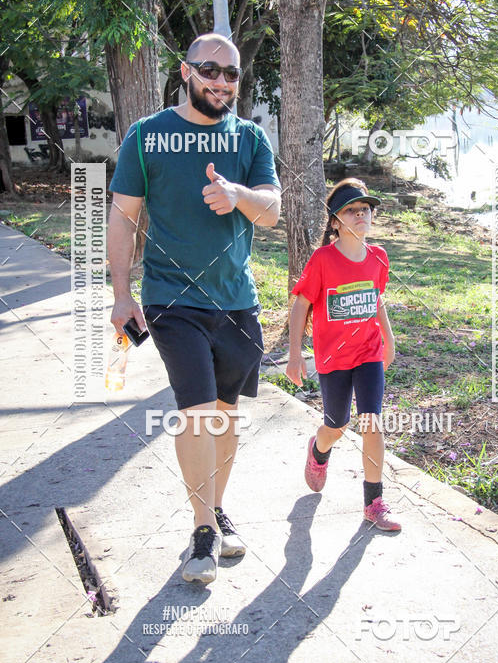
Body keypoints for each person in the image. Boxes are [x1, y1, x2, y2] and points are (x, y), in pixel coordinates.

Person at [107, 32, 281, 583]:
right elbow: (123, 217)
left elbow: (271, 211)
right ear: (185, 72)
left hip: (237, 302)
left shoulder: (250, 138)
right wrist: (120, 294)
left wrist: (238, 195)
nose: (222, 82)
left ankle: (216, 508)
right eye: (210, 70)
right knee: (198, 412)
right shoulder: (147, 136)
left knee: (226, 415)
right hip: (172, 299)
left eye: (231, 74)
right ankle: (203, 531)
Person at [285, 178, 401, 531]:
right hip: (333, 358)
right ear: (335, 221)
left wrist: (389, 339)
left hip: (368, 353)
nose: (361, 214)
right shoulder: (323, 260)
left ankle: (373, 502)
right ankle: (319, 450)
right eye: (351, 210)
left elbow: (376, 299)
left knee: (371, 422)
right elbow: (300, 304)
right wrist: (294, 354)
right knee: (337, 426)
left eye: (365, 209)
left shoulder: (378, 256)